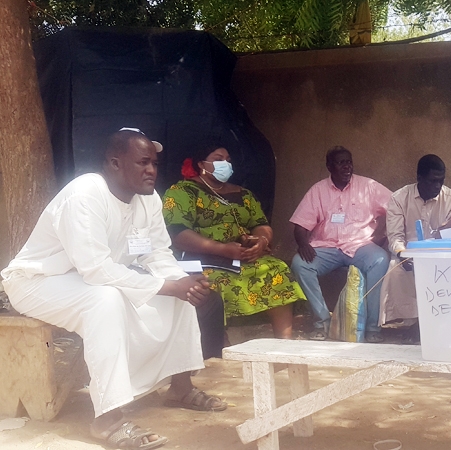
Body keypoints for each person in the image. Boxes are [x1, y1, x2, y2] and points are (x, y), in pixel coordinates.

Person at [1, 129, 226, 450]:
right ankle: (108, 418)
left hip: (84, 280)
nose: (151, 170)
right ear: (115, 164)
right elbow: (96, 269)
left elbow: (157, 253)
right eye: (143, 162)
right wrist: (167, 285)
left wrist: (182, 283)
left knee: (179, 293)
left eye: (154, 164)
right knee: (105, 299)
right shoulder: (85, 196)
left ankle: (180, 387)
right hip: (37, 282)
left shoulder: (148, 199)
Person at [162, 144, 305, 344]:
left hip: (242, 257)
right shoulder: (182, 192)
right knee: (213, 282)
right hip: (202, 260)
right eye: (219, 158)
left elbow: (261, 225)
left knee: (277, 270)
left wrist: (260, 241)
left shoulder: (244, 194)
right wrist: (222, 249)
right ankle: (218, 342)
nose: (226, 164)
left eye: (228, 160)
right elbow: (178, 234)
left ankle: (284, 343)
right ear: (202, 164)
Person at [290, 146, 392, 342]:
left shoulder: (368, 186)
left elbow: (396, 206)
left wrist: (384, 235)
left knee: (380, 259)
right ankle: (322, 323)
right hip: (327, 247)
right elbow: (300, 225)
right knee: (300, 264)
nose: (347, 167)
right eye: (341, 163)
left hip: (360, 246)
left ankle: (372, 329)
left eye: (349, 162)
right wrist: (302, 243)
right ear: (329, 166)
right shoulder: (318, 191)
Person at [380, 154, 451, 343]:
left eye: (441, 181)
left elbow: (450, 235)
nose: (437, 187)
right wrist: (403, 254)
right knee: (395, 272)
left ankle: (430, 325)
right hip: (408, 255)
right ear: (419, 179)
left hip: (440, 255)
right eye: (433, 181)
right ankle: (413, 322)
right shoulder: (400, 198)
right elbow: (395, 236)